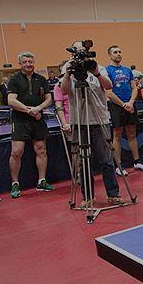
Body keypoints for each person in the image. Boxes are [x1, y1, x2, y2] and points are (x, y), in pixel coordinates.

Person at [59, 43, 123, 205]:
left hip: (99, 119)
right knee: (83, 162)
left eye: (83, 50)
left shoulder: (98, 67)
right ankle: (87, 197)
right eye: (77, 50)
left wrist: (96, 72)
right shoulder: (68, 68)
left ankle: (113, 194)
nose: (81, 53)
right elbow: (64, 90)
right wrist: (68, 74)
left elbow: (108, 86)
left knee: (106, 159)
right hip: (79, 122)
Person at [5, 51, 53, 198]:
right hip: (20, 120)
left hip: (38, 118)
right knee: (16, 152)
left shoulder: (41, 79)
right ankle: (15, 183)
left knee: (41, 150)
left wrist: (38, 108)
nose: (28, 64)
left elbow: (49, 99)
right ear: (20, 64)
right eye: (25, 62)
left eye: (30, 62)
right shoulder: (14, 80)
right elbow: (11, 100)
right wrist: (29, 110)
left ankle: (42, 181)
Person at [104, 45, 143, 173]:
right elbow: (108, 92)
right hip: (116, 106)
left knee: (132, 133)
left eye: (119, 52)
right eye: (115, 52)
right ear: (110, 55)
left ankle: (137, 162)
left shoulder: (127, 70)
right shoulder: (107, 71)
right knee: (117, 135)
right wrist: (123, 105)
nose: (118, 54)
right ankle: (119, 166)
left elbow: (134, 88)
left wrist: (131, 102)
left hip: (130, 104)